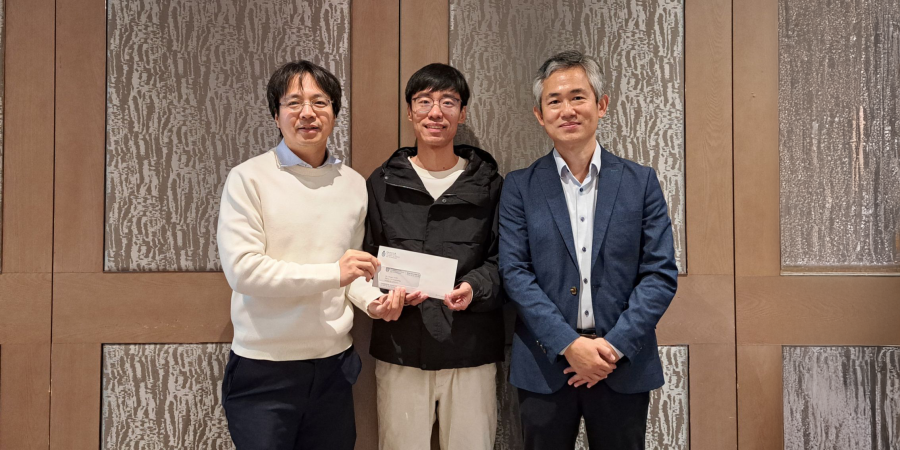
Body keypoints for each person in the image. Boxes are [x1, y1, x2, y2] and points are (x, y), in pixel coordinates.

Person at [217, 60, 405, 450]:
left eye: (320, 102)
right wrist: (333, 274)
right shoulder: (248, 178)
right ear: (276, 114)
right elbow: (243, 272)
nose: (307, 113)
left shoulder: (353, 184)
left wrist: (374, 304)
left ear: (334, 113)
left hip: (333, 365)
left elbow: (351, 272)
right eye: (294, 102)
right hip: (263, 367)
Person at [498, 50, 678, 449]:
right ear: (539, 114)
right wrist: (569, 345)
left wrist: (610, 349)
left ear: (602, 104)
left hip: (622, 364)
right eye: (554, 101)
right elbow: (515, 273)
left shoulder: (640, 182)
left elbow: (660, 273)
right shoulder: (519, 187)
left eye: (578, 97)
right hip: (545, 365)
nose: (567, 110)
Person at [364, 63, 505, 449]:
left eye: (448, 102)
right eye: (424, 101)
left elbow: (504, 262)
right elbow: (367, 259)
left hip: (471, 351)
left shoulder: (489, 184)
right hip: (400, 348)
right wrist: (382, 299)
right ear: (410, 111)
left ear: (463, 113)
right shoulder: (382, 182)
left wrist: (474, 287)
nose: (435, 112)